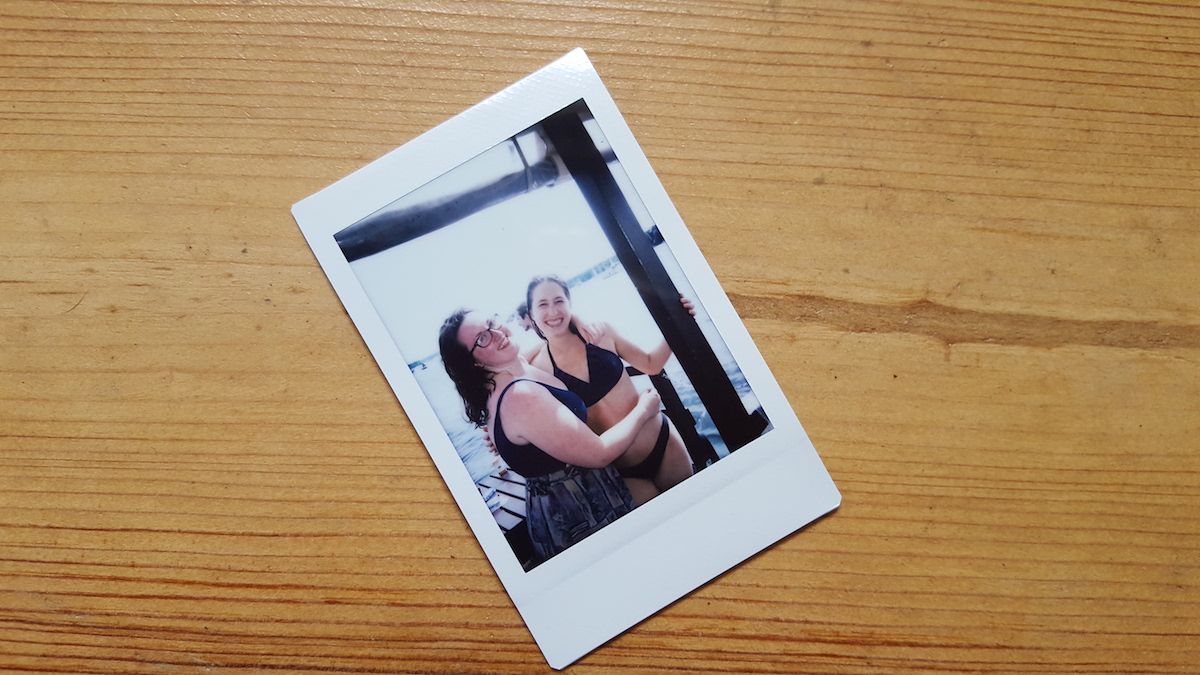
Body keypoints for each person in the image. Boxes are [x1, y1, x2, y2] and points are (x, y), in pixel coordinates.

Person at [439, 309, 662, 568]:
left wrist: (576, 319)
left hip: (574, 492)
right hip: (578, 512)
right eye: (482, 339)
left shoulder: (515, 367)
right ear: (473, 363)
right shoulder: (520, 397)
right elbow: (599, 453)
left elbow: (552, 337)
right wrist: (644, 409)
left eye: (492, 322)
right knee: (658, 503)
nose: (498, 334)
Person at [524, 275, 695, 505]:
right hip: (621, 471)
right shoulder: (539, 370)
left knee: (696, 506)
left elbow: (651, 364)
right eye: (542, 304)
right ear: (531, 313)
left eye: (559, 301)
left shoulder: (601, 333)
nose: (553, 311)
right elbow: (502, 369)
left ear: (569, 303)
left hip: (663, 443)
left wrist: (678, 320)